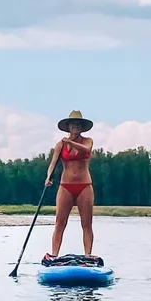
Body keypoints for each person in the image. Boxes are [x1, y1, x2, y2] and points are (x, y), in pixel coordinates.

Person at [45, 110, 96, 258]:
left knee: (86, 224)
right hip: (65, 186)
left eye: (78, 124)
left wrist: (71, 142)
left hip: (84, 185)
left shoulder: (88, 141)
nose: (75, 126)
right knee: (60, 223)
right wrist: (48, 177)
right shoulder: (60, 145)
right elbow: (53, 163)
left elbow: (86, 151)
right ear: (68, 126)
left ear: (82, 127)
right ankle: (54, 255)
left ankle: (88, 256)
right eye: (73, 124)